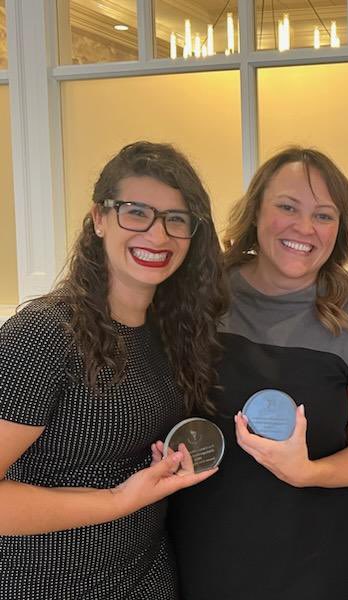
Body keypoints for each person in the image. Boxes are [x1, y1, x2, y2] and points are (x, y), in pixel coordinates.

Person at [169, 147, 348, 599]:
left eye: (324, 215)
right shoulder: (197, 300)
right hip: (200, 543)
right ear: (256, 209)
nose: (304, 228)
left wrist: (307, 472)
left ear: (341, 230)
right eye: (287, 207)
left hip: (312, 553)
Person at [0, 141, 228, 599]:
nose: (158, 236)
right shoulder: (44, 333)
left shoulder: (170, 331)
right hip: (48, 584)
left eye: (175, 220)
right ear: (100, 219)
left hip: (147, 577)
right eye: (136, 212)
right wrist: (118, 500)